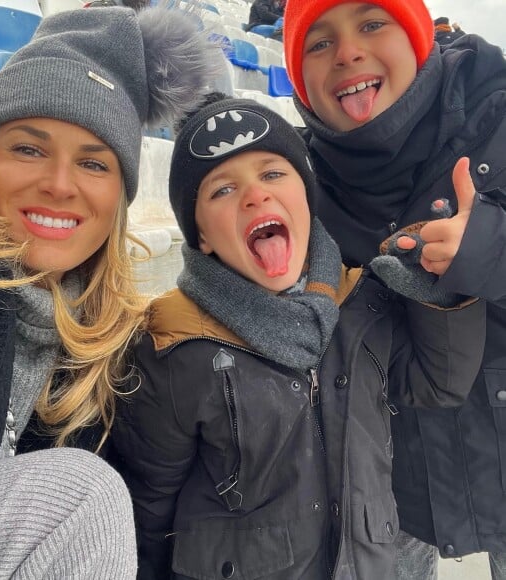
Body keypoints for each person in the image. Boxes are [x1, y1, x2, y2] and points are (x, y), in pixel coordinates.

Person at [109, 94, 485, 579]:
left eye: (272, 173)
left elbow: (438, 384)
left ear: (306, 199)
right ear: (199, 234)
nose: (254, 196)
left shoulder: (361, 302)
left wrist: (439, 295)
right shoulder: (172, 340)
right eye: (222, 190)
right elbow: (149, 504)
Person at [0, 5, 220, 578]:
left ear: (120, 195)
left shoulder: (93, 335)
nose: (59, 185)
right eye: (29, 149)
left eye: (93, 162)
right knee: (81, 498)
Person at [282, 0, 506, 578]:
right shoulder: (299, 180)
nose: (349, 51)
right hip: (399, 479)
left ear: (416, 36)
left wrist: (485, 247)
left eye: (372, 23)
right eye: (319, 42)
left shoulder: (497, 111)